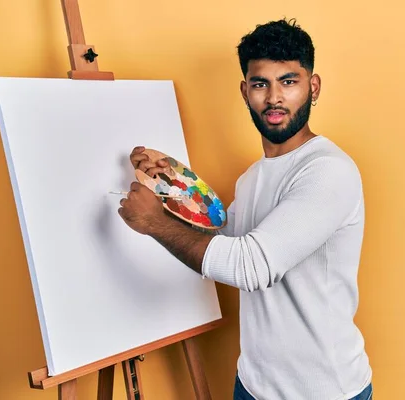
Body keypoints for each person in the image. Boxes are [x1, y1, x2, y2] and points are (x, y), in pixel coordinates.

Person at [118, 18, 373, 400]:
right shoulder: (252, 177)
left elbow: (250, 265)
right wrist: (169, 186)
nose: (274, 98)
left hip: (323, 392)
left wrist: (154, 223)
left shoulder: (328, 171)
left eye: (288, 81)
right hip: (253, 385)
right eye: (260, 84)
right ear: (245, 91)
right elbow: (223, 241)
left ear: (313, 86)